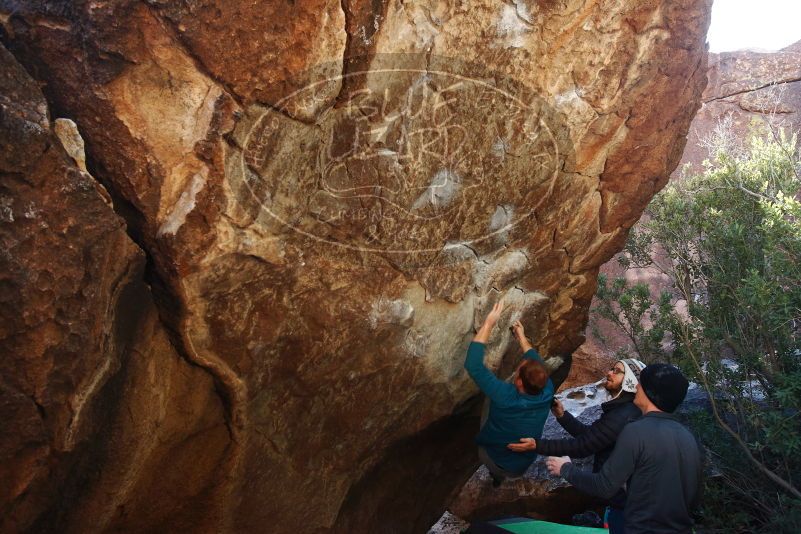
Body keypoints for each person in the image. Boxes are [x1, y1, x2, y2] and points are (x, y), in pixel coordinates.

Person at [546, 364, 703, 534]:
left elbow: (603, 486)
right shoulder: (688, 437)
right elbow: (693, 499)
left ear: (650, 392)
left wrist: (565, 468)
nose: (636, 387)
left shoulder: (635, 430)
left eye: (641, 384)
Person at [506, 357, 645, 532]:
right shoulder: (621, 411)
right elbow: (591, 437)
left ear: (631, 380)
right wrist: (562, 415)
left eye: (616, 371)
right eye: (611, 369)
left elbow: (583, 446)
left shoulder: (623, 415)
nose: (609, 373)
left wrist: (537, 446)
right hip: (622, 504)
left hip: (627, 508)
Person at [464, 299, 554, 486]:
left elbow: (473, 365)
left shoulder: (504, 395)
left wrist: (489, 323)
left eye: (519, 369)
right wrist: (521, 336)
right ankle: (499, 478)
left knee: (490, 398)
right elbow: (534, 360)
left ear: (519, 382)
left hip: (493, 458)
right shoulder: (547, 388)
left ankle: (495, 475)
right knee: (496, 397)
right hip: (524, 463)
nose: (521, 362)